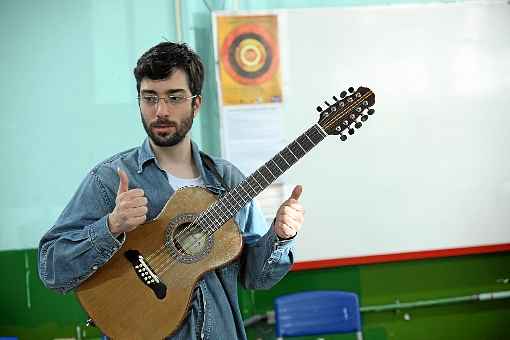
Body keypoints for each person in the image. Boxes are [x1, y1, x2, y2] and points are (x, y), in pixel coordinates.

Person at [38, 41, 305, 340]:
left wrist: (281, 237)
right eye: (149, 98)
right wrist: (111, 227)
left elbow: (257, 278)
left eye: (174, 97)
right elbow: (51, 268)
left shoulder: (228, 179)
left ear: (196, 103)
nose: (160, 111)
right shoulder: (109, 179)